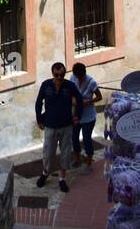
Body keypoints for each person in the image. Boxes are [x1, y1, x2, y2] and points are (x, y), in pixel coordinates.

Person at [34, 61, 83, 192]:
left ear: (64, 74)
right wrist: (39, 119)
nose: (59, 78)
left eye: (61, 75)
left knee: (65, 153)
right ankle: (45, 173)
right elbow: (39, 103)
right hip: (50, 125)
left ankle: (62, 178)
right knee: (48, 153)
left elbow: (80, 101)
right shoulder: (46, 85)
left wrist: (78, 116)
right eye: (57, 75)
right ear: (53, 74)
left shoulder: (70, 86)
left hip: (66, 125)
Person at [69, 61, 102, 173]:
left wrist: (88, 101)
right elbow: (70, 92)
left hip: (88, 116)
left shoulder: (91, 82)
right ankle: (77, 158)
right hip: (76, 115)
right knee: (74, 137)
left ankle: (89, 161)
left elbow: (99, 97)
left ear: (84, 74)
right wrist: (73, 99)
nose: (79, 79)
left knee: (86, 138)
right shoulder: (72, 78)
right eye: (77, 77)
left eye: (80, 77)